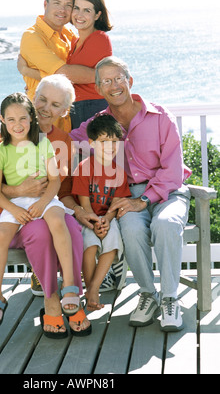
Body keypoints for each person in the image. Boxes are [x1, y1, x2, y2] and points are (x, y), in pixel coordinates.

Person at [70, 56, 192, 332]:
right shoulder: (100, 123)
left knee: (165, 224)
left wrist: (143, 200)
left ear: (130, 81)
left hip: (166, 192)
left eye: (118, 78)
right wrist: (29, 138)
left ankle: (170, 298)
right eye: (106, 82)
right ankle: (148, 294)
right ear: (99, 90)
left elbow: (172, 172)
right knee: (131, 229)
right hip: (126, 195)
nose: (114, 86)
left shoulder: (160, 117)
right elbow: (70, 141)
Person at [0, 75, 95, 337]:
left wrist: (78, 211)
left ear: (64, 111)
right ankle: (51, 300)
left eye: (55, 104)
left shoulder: (62, 140)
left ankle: (72, 294)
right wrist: (21, 190)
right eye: (42, 99)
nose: (46, 108)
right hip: (9, 212)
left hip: (48, 206)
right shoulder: (10, 136)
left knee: (71, 227)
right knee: (39, 232)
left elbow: (63, 190)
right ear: (33, 99)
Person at [72, 114, 131, 311]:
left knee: (113, 240)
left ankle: (93, 288)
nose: (110, 146)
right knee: (89, 245)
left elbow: (115, 204)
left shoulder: (119, 172)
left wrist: (106, 219)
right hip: (88, 219)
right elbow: (84, 204)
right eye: (104, 141)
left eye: (114, 141)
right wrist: (95, 222)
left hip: (107, 218)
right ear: (92, 143)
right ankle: (91, 289)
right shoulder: (84, 168)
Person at [18, 0, 95, 132]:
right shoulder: (32, 36)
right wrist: (104, 76)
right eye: (57, 3)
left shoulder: (69, 35)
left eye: (68, 5)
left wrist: (28, 71)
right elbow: (64, 74)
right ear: (46, 4)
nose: (62, 10)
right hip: (41, 121)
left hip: (68, 121)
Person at [68, 0, 113, 129]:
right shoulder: (74, 42)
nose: (79, 15)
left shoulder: (99, 39)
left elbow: (67, 75)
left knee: (95, 152)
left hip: (93, 108)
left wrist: (28, 70)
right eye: (76, 8)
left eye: (87, 10)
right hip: (76, 109)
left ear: (97, 15)